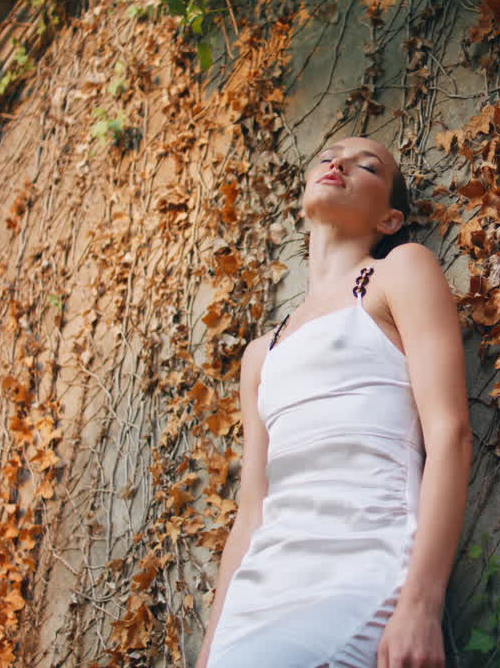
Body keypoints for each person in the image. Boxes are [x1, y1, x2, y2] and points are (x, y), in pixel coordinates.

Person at [196, 136, 473, 668]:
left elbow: (450, 435)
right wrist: (209, 649)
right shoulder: (261, 353)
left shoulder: (400, 271)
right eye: (327, 156)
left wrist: (421, 605)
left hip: (360, 571)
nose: (338, 163)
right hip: (256, 596)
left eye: (366, 166)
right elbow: (252, 510)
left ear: (390, 219)